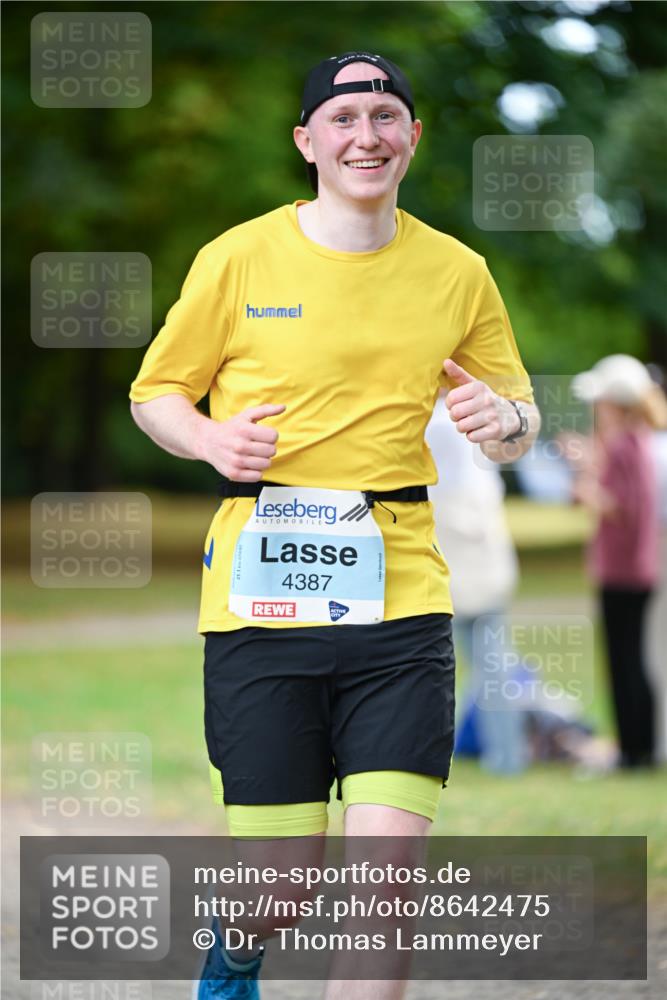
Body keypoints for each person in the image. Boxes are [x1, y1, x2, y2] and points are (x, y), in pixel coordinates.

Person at [129, 51, 540, 1000]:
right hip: (260, 601)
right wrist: (206, 439)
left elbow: (517, 415)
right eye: (345, 117)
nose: (367, 135)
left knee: (383, 892)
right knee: (282, 887)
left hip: (401, 606)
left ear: (412, 137)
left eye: (386, 115)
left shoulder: (457, 271)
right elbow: (156, 392)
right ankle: (237, 955)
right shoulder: (237, 256)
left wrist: (504, 423)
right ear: (307, 140)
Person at [562, 354, 667, 770]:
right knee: (627, 657)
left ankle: (633, 749)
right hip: (630, 568)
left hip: (625, 570)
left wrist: (584, 480)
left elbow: (624, 507)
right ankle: (633, 745)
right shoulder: (629, 441)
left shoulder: (627, 444)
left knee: (625, 660)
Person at [425, 393, 528, 774]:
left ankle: (504, 755)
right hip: (480, 551)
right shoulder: (474, 418)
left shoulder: (440, 423)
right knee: (491, 661)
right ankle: (505, 753)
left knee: (482, 662)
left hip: (464, 555)